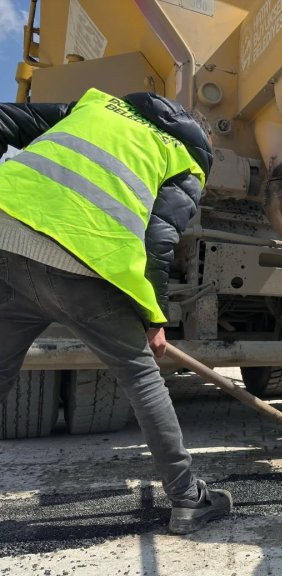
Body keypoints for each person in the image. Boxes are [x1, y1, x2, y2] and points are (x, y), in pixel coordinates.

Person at [0, 87, 232, 534]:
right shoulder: (185, 157)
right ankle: (188, 500)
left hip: (5, 240)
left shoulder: (95, 103)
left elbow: (7, 120)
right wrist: (153, 318)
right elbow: (159, 242)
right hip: (86, 261)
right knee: (142, 377)